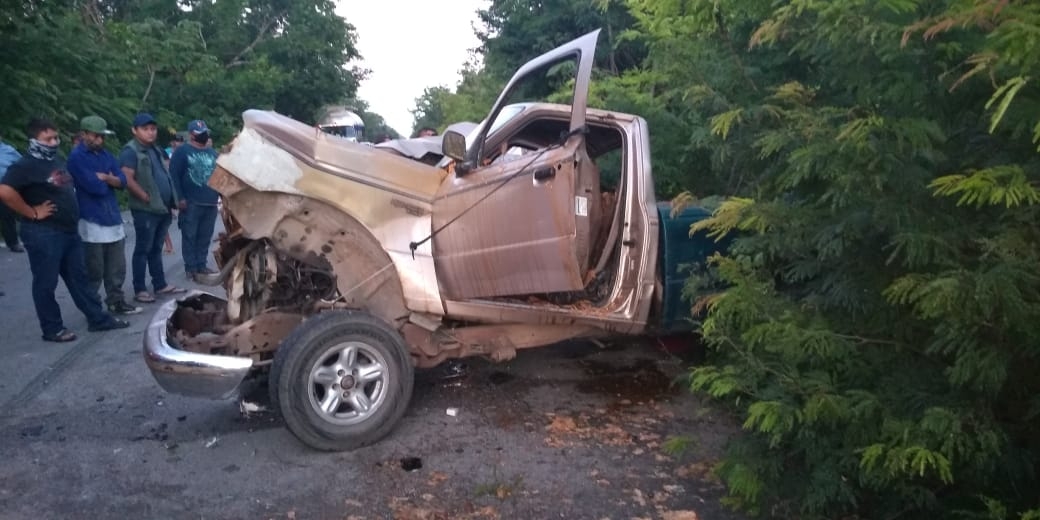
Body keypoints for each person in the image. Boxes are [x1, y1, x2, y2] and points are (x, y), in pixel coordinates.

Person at [0, 117, 130, 341]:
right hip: (43, 232)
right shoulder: (25, 165)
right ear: (34, 140)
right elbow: (5, 191)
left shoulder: (56, 159)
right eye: (47, 138)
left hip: (68, 230)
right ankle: (52, 328)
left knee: (79, 278)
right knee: (46, 282)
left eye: (55, 137)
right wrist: (31, 212)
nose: (53, 142)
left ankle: (98, 319)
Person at [67, 115, 141, 315]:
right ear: (84, 135)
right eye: (96, 136)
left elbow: (123, 181)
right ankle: (92, 308)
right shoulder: (76, 158)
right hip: (91, 219)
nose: (100, 140)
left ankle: (116, 301)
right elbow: (95, 187)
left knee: (117, 266)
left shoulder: (106, 155)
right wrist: (111, 180)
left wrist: (107, 177)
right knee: (94, 269)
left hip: (112, 217)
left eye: (102, 136)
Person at [119, 112, 185, 303]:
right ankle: (140, 289)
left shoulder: (154, 149)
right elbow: (127, 178)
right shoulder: (130, 151)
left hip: (161, 207)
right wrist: (144, 196)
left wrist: (170, 201)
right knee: (143, 248)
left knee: (156, 248)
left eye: (153, 129)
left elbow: (164, 174)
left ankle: (160, 284)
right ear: (135, 130)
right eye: (145, 129)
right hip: (145, 209)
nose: (150, 133)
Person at [169, 119, 219, 281]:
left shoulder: (213, 153)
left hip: (210, 201)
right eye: (200, 133)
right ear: (191, 135)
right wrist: (180, 198)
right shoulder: (182, 152)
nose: (203, 135)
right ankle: (191, 268)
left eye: (205, 132)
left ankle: (201, 265)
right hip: (191, 202)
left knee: (205, 236)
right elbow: (174, 176)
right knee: (190, 235)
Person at [0, 137, 25, 252]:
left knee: (7, 216)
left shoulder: (8, 150)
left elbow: (21, 165)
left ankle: (13, 242)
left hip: (4, 188)